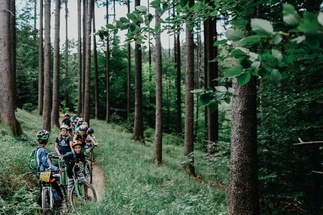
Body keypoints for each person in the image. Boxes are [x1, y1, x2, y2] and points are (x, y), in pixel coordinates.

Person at [35, 130, 65, 205]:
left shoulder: (36, 149)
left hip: (38, 173)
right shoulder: (42, 150)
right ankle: (61, 201)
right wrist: (56, 169)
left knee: (43, 189)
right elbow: (46, 164)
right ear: (46, 140)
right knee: (55, 185)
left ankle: (40, 206)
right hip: (44, 174)